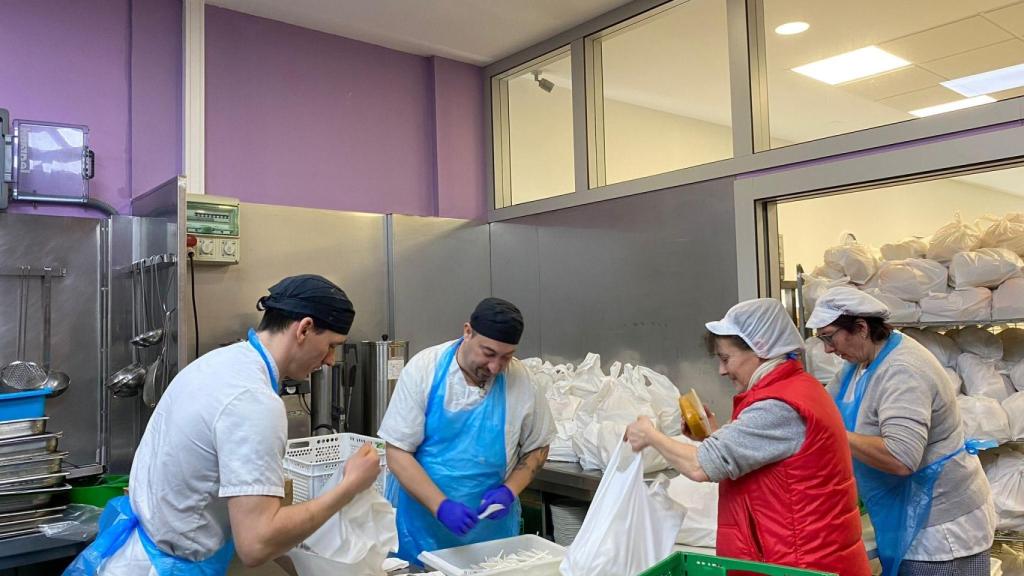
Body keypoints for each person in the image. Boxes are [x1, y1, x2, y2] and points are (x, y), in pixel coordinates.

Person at [67, 274, 382, 576]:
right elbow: (256, 544)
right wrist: (348, 488)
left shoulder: (219, 363)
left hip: (143, 553)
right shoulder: (254, 400)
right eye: (331, 345)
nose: (329, 360)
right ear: (304, 329)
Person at [625, 298, 870, 576]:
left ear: (761, 349)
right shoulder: (797, 388)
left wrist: (649, 435)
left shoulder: (779, 405)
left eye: (726, 358)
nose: (722, 370)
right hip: (804, 558)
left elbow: (701, 466)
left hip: (800, 564)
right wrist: (715, 435)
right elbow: (768, 458)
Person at [808, 286, 995, 576]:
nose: (827, 349)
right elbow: (821, 406)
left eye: (829, 337)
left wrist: (833, 432)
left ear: (860, 328)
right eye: (821, 339)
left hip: (939, 526)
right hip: (904, 511)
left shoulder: (903, 369)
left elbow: (900, 457)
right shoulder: (858, 365)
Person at [379, 297, 556, 564]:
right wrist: (441, 505)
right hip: (421, 530)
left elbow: (539, 446)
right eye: (488, 353)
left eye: (506, 357)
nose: (495, 366)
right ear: (467, 332)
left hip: (491, 538)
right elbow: (397, 453)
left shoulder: (523, 381)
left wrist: (509, 491)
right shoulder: (425, 369)